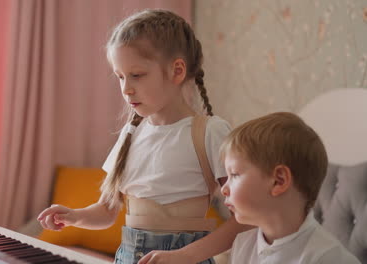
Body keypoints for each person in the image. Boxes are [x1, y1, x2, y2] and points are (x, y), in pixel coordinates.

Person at [38, 9, 248, 264]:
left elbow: (245, 216)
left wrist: (185, 255)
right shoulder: (130, 135)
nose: (126, 89)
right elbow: (106, 212)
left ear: (177, 71)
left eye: (136, 75)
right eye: (120, 77)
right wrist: (73, 216)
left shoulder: (209, 132)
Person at [217, 112, 360, 264]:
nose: (223, 189)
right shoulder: (242, 244)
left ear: (279, 180)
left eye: (234, 174)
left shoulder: (329, 258)